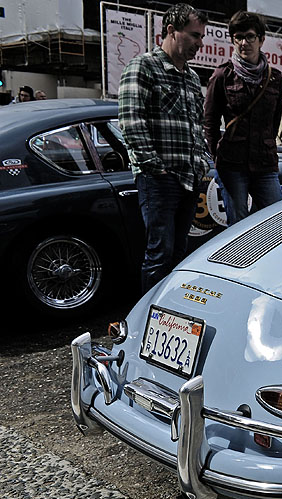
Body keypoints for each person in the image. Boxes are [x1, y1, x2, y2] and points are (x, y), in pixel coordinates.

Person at [118, 3, 209, 293]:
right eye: (194, 35)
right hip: (160, 178)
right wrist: (155, 166)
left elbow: (197, 126)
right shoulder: (143, 66)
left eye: (201, 36)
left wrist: (203, 162)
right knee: (159, 254)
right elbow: (131, 121)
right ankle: (150, 318)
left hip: (189, 177)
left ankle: (172, 316)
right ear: (171, 30)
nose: (200, 43)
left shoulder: (193, 78)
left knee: (178, 254)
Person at [204, 10, 282, 225]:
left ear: (261, 40)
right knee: (237, 225)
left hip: (265, 163)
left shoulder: (274, 78)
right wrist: (217, 157)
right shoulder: (222, 75)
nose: (243, 43)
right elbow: (209, 122)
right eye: (238, 37)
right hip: (232, 163)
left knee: (276, 220)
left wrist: (266, 144)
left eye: (249, 36)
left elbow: (274, 121)